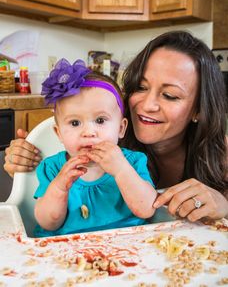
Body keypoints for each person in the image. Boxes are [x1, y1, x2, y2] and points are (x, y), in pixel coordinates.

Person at [4, 31, 228, 222]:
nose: (147, 105)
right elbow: (45, 195)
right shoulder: (101, 138)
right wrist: (25, 164)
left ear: (199, 108)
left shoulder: (221, 154)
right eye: (140, 87)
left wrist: (223, 204)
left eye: (170, 95)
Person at [32, 59, 157, 237]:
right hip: (65, 250)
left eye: (100, 120)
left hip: (127, 244)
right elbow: (48, 223)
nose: (89, 132)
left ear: (121, 128)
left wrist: (121, 171)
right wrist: (59, 188)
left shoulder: (133, 162)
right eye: (75, 123)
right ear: (59, 133)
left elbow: (147, 209)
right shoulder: (52, 168)